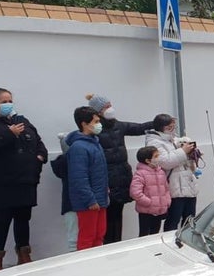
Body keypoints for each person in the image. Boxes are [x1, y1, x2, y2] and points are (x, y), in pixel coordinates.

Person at [0, 87, 47, 270]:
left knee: (23, 218)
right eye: (3, 102)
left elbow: (38, 142)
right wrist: (8, 133)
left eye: (10, 101)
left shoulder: (21, 120)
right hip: (2, 182)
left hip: (25, 180)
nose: (8, 105)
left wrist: (40, 158)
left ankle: (24, 254)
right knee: (2, 219)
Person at [86, 93, 154, 244]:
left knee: (118, 215)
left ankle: (117, 243)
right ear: (97, 111)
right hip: (107, 178)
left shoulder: (118, 125)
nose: (110, 109)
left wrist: (156, 123)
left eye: (110, 105)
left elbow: (139, 128)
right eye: (106, 107)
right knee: (108, 218)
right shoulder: (95, 130)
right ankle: (108, 245)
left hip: (122, 176)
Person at [144, 114, 201, 231]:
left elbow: (181, 154)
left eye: (173, 127)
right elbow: (165, 162)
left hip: (188, 184)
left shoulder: (174, 139)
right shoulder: (154, 142)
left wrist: (192, 152)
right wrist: (183, 151)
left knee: (190, 219)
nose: (173, 130)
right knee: (172, 221)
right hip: (173, 188)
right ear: (161, 127)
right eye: (170, 127)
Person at [67, 106, 110, 250]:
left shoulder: (95, 143)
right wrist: (90, 199)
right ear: (84, 124)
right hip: (88, 202)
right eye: (96, 121)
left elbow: (99, 171)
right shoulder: (78, 147)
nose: (99, 124)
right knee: (87, 237)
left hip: (100, 198)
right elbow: (79, 177)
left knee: (99, 235)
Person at [129, 146, 172, 236]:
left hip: (159, 211)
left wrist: (167, 201)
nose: (158, 158)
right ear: (148, 160)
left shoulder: (161, 172)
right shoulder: (140, 174)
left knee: (155, 234)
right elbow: (135, 193)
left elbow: (166, 189)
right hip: (146, 212)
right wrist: (150, 202)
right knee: (144, 235)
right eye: (156, 156)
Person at [49, 132, 78, 252]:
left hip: (69, 203)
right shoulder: (70, 162)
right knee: (75, 235)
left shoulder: (62, 163)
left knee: (73, 235)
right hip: (76, 202)